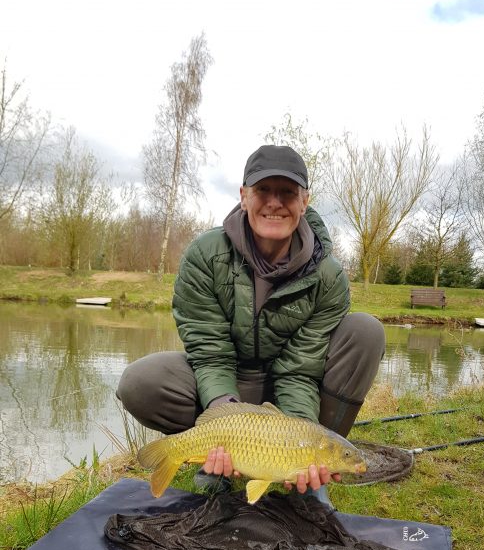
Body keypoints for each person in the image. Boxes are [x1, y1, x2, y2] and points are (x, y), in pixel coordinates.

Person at [117, 145, 385, 508]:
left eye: (288, 192)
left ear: (304, 201)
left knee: (366, 331)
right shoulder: (204, 256)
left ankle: (313, 473)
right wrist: (226, 417)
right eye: (263, 191)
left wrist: (299, 437)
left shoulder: (328, 276)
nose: (275, 202)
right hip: (227, 387)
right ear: (243, 197)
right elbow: (211, 355)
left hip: (287, 390)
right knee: (140, 381)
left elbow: (300, 371)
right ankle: (215, 464)